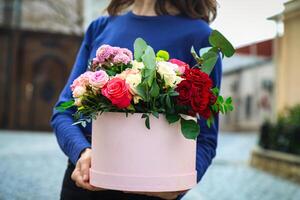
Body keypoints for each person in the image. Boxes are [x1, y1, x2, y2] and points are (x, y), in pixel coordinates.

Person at [51, 0, 222, 199]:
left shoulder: (202, 38)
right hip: (87, 180)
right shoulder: (100, 28)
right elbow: (64, 112)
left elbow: (206, 138)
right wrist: (81, 152)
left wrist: (177, 187)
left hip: (153, 190)